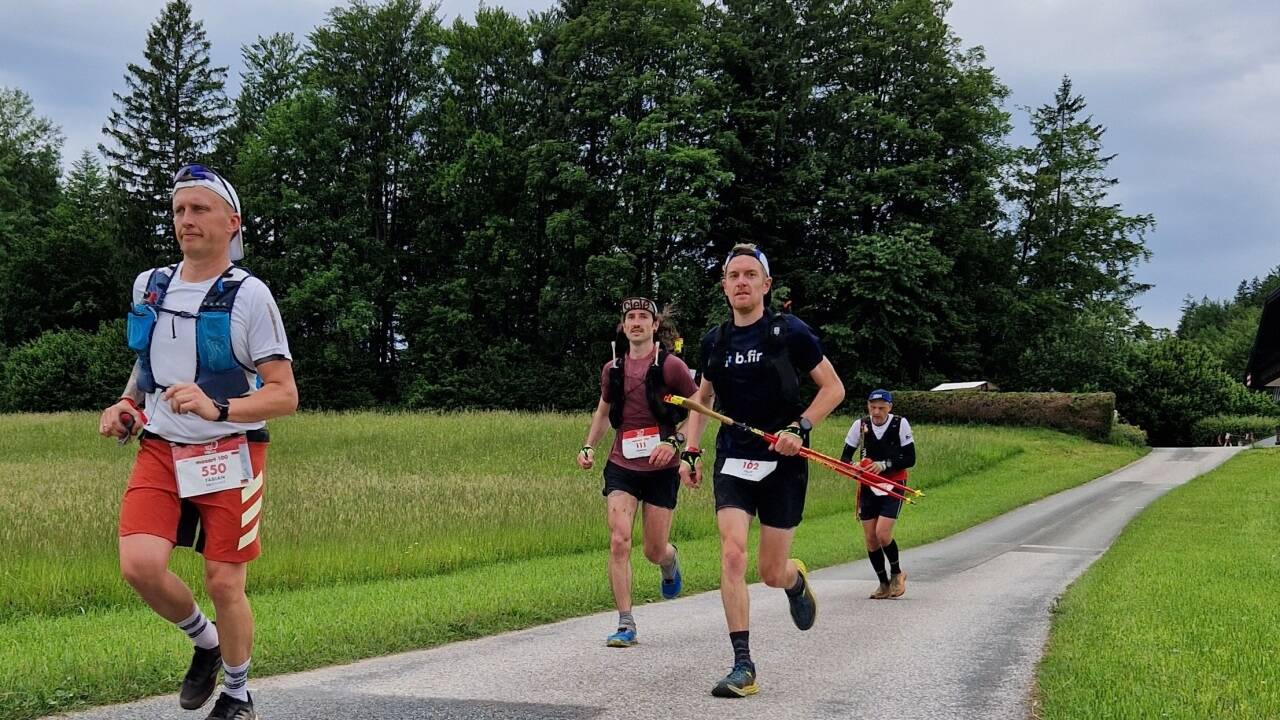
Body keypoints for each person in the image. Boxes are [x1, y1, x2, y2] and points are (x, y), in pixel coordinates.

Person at [98, 164, 297, 720]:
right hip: (161, 449)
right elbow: (146, 369)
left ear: (231, 223)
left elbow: (284, 396)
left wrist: (220, 407)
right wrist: (127, 407)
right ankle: (205, 642)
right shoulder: (150, 285)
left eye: (200, 209)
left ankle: (237, 693)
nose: (186, 219)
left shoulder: (251, 296)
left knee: (224, 580)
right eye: (180, 209)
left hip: (230, 455)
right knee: (139, 565)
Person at [680, 243, 845, 698]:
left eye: (750, 275)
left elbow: (833, 388)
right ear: (724, 286)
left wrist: (801, 426)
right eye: (734, 276)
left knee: (770, 571)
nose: (741, 283)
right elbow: (702, 398)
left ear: (766, 285)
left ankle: (794, 580)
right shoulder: (716, 340)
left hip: (783, 459)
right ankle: (742, 665)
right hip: (734, 456)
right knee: (732, 553)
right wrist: (690, 451)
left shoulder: (789, 332)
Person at [578, 297, 698, 647]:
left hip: (662, 466)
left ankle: (669, 560)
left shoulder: (672, 366)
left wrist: (675, 443)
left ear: (655, 325)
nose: (636, 323)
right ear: (624, 325)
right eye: (631, 317)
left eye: (643, 317)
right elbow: (603, 412)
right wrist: (589, 446)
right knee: (618, 540)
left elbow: (698, 409)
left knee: (652, 549)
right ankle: (625, 623)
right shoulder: (612, 369)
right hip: (622, 464)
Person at [841, 390, 916, 599]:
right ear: (868, 406)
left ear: (889, 407)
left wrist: (883, 465)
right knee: (871, 539)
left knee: (883, 533)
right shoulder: (860, 425)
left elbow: (910, 458)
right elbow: (845, 457)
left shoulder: (900, 424)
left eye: (881, 408)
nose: (876, 412)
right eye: (873, 407)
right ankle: (883, 583)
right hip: (868, 485)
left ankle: (897, 573)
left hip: (893, 483)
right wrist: (854, 465)